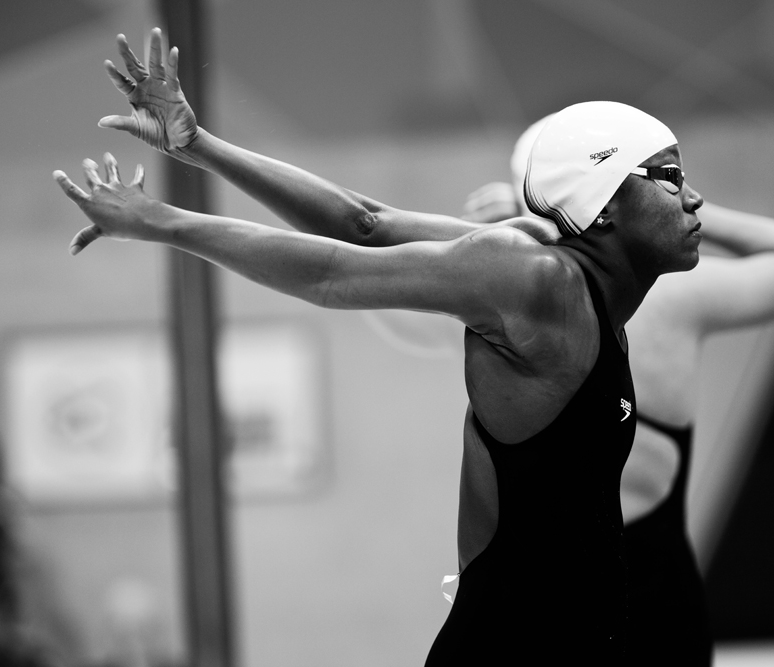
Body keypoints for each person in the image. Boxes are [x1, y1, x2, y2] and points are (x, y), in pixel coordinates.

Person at [54, 28, 705, 664]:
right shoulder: (536, 280)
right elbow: (334, 272)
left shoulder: (569, 283)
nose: (695, 197)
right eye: (669, 175)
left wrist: (198, 144)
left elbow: (365, 224)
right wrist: (160, 220)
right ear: (605, 200)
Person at [461, 117, 774, 665]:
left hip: (552, 615)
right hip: (657, 607)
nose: (686, 195)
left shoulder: (502, 299)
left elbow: (387, 294)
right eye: (665, 177)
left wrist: (481, 241)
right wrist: (677, 210)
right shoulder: (674, 297)